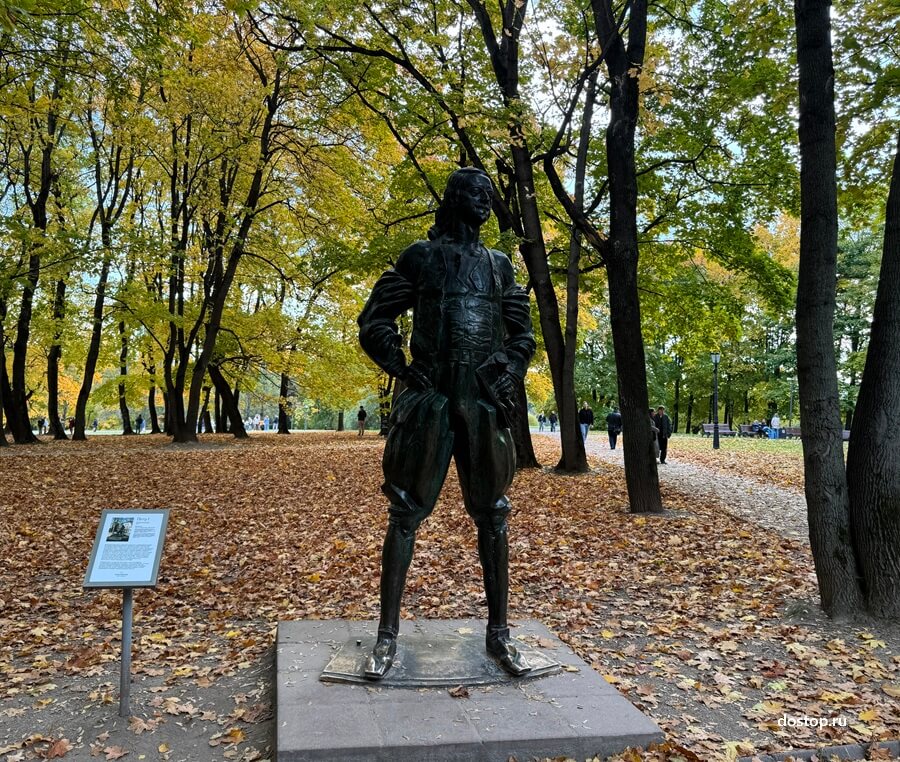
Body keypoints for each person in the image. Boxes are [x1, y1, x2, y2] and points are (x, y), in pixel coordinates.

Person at [357, 167, 536, 680]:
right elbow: (374, 320)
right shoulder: (421, 257)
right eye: (478, 194)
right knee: (405, 512)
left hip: (480, 402)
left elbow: (522, 335)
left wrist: (506, 370)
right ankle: (387, 636)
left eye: (490, 196)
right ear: (456, 198)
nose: (486, 203)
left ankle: (499, 634)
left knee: (494, 514)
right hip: (432, 398)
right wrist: (401, 367)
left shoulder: (499, 266)